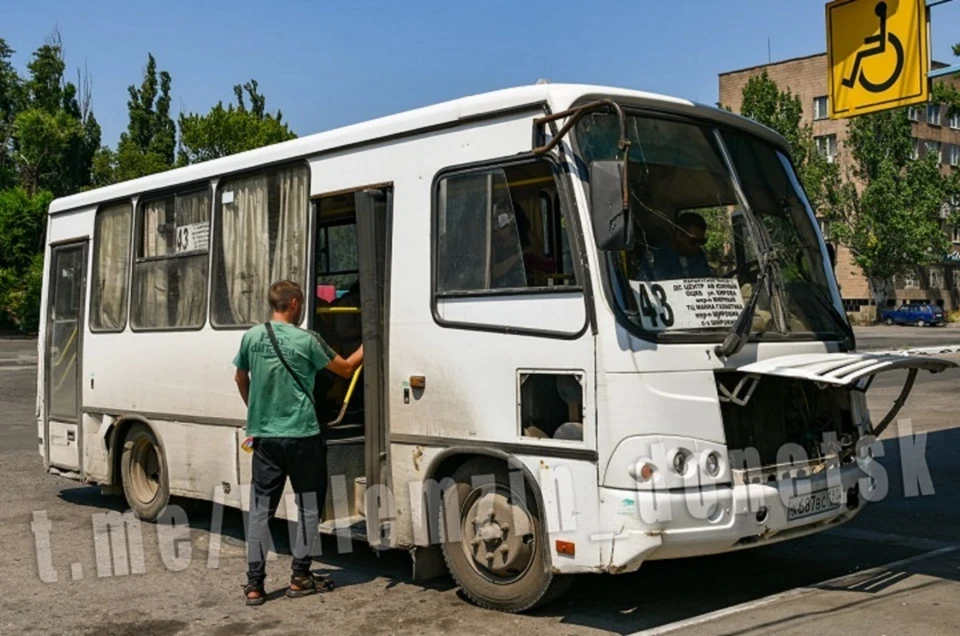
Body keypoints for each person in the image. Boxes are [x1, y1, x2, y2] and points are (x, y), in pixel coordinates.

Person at [234, 280, 363, 606]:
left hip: (264, 439)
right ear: (293, 304)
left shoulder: (251, 337)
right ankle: (300, 576)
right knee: (307, 507)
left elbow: (240, 377)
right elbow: (346, 370)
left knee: (261, 511)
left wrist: (256, 411)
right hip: (303, 436)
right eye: (301, 302)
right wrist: (373, 339)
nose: (303, 307)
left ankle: (254, 586)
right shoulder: (308, 340)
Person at [650, 211, 715, 280]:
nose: (697, 246)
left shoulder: (699, 256)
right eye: (693, 241)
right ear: (679, 235)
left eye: (702, 241)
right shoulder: (655, 258)